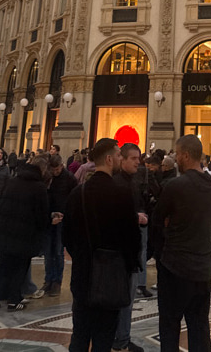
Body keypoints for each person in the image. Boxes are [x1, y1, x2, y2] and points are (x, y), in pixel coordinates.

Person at [63, 139, 140, 352]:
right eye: (118, 155)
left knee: (79, 334)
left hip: (83, 275)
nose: (120, 158)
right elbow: (132, 240)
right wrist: (126, 265)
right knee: (104, 337)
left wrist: (82, 256)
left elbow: (66, 237)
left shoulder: (78, 194)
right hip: (110, 277)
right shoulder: (121, 194)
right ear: (108, 159)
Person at [154, 134, 211, 351]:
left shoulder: (176, 185)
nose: (176, 159)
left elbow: (157, 220)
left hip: (175, 266)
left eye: (178, 155)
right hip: (203, 267)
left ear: (186, 155)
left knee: (170, 326)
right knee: (199, 327)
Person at [0, 158, 49, 311]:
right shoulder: (39, 187)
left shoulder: (12, 181)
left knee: (2, 265)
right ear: (42, 170)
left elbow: (1, 202)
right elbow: (41, 214)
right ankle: (14, 300)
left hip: (5, 230)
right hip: (24, 234)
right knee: (20, 266)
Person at [112, 142, 147, 352]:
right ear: (121, 159)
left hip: (129, 250)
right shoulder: (119, 184)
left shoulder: (131, 181)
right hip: (124, 252)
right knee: (125, 297)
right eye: (133, 158)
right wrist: (136, 218)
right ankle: (121, 339)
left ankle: (121, 336)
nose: (137, 162)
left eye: (138, 158)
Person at [43, 152, 77, 296]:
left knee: (58, 251)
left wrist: (67, 214)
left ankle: (57, 281)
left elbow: (74, 198)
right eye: (53, 170)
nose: (55, 172)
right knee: (48, 251)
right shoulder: (48, 177)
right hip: (49, 218)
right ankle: (48, 280)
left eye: (57, 169)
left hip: (62, 219)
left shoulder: (69, 178)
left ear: (61, 166)